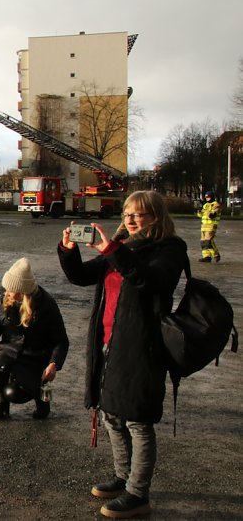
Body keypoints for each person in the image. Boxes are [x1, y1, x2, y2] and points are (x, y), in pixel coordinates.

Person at [58, 190, 188, 518]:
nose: (129, 219)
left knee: (137, 418)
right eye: (127, 213)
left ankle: (138, 493)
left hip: (141, 344)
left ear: (155, 217)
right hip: (108, 341)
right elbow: (80, 276)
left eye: (138, 214)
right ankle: (122, 475)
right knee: (111, 413)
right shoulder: (122, 246)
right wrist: (68, 251)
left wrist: (112, 250)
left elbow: (151, 280)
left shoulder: (169, 249)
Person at [0, 257, 69, 421]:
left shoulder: (46, 305)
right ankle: (3, 403)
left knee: (20, 391)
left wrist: (54, 364)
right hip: (10, 353)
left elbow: (61, 341)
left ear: (22, 291)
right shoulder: (5, 301)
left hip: (36, 358)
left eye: (10, 289)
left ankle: (41, 400)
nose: (6, 292)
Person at [196, 190, 221, 263]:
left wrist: (211, 214)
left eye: (208, 197)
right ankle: (206, 257)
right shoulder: (205, 205)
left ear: (212, 197)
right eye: (206, 197)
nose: (207, 199)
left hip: (211, 226)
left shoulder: (216, 204)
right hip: (203, 226)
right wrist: (199, 212)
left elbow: (214, 214)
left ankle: (216, 255)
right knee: (203, 242)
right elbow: (201, 215)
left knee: (208, 242)